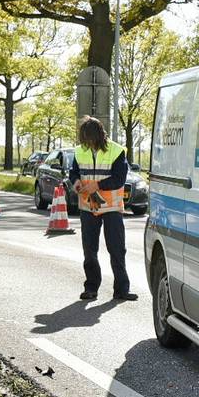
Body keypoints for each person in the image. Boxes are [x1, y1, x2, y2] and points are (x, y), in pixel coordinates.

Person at [69, 116, 137, 302]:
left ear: (99, 136)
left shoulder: (116, 151)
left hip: (111, 208)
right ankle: (91, 288)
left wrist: (96, 186)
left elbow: (119, 179)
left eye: (90, 139)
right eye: (85, 140)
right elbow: (74, 172)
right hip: (88, 207)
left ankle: (122, 290)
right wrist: (75, 182)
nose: (88, 143)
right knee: (89, 250)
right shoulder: (79, 151)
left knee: (116, 249)